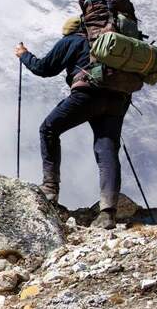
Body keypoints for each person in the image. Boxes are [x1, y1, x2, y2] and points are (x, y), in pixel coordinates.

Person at [14, 16, 131, 229]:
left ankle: (50, 189)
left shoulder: (71, 40)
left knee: (49, 129)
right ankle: (108, 213)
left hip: (87, 95)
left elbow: (44, 68)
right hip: (118, 98)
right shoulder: (110, 43)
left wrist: (24, 55)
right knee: (107, 148)